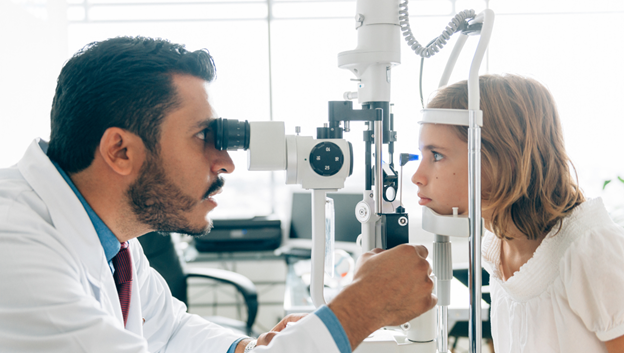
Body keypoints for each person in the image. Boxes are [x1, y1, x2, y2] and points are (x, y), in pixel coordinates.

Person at [0, 36, 436, 353]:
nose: (226, 161)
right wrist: (356, 312)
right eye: (202, 136)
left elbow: (169, 332)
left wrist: (245, 350)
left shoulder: (113, 240)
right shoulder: (15, 247)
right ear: (121, 150)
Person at [411, 74, 624, 352]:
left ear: (503, 157)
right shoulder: (496, 244)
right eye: (421, 155)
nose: (417, 176)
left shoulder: (591, 250)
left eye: (437, 155)